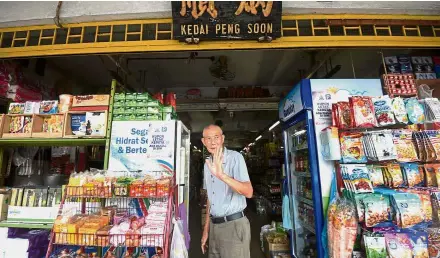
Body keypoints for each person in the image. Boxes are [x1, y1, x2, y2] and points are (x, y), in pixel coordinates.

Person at [200, 124, 253, 258]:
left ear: (222, 139)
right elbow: (210, 198)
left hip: (233, 226)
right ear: (203, 141)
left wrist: (222, 175)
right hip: (214, 226)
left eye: (216, 137)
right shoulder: (207, 165)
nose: (213, 142)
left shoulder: (235, 158)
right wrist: (206, 230)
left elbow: (248, 192)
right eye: (208, 138)